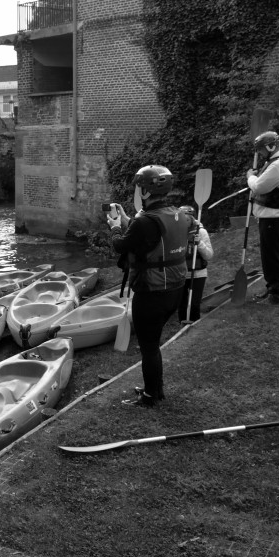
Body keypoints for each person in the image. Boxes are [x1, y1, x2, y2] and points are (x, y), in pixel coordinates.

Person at [108, 165, 188, 407]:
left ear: (144, 191)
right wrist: (127, 221)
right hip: (175, 289)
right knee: (153, 343)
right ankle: (155, 388)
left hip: (152, 293)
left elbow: (121, 245)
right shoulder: (178, 214)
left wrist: (115, 227)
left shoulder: (144, 221)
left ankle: (151, 395)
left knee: (149, 347)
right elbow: (150, 237)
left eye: (138, 187)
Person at [246, 131, 279, 305]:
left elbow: (259, 187)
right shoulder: (277, 162)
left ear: (270, 147)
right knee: (268, 255)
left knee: (272, 256)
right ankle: (271, 289)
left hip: (274, 217)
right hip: (272, 216)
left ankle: (275, 293)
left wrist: (250, 177)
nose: (260, 153)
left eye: (261, 150)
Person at [177, 205, 214, 323]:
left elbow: (209, 255)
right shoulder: (176, 232)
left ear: (192, 219)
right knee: (181, 304)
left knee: (194, 305)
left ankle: (195, 325)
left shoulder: (201, 232)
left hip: (198, 274)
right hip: (181, 274)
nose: (184, 222)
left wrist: (200, 244)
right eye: (182, 219)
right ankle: (183, 327)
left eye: (187, 219)